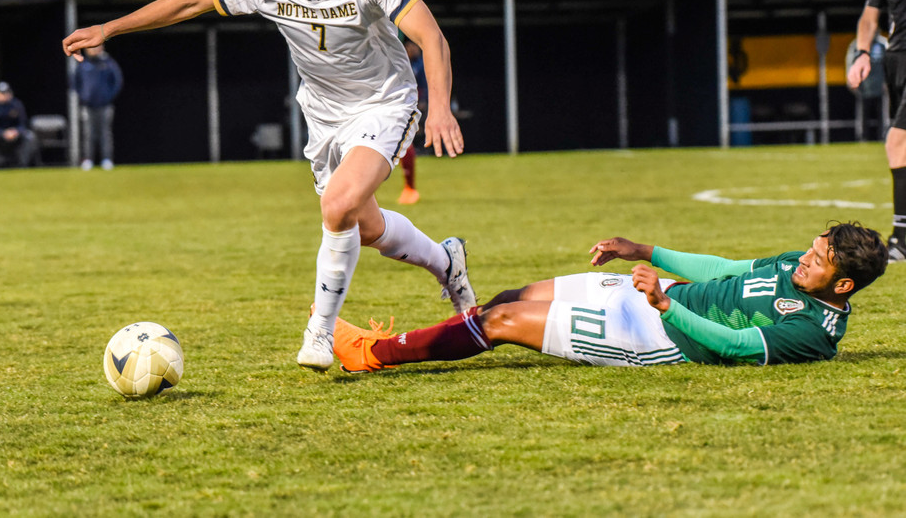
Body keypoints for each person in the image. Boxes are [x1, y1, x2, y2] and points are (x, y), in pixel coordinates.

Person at [61, 0, 475, 371]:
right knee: (361, 226)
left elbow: (432, 38)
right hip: (323, 115)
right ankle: (446, 262)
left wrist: (440, 107)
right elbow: (192, 0)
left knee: (339, 205)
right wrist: (108, 28)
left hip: (383, 103)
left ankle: (319, 333)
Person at [329, 222, 888, 372]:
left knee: (500, 321)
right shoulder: (796, 266)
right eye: (811, 250)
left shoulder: (814, 334)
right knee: (512, 294)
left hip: (657, 333)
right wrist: (642, 250)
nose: (804, 261)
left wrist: (667, 309)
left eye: (818, 262)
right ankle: (423, 341)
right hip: (660, 293)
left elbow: (739, 346)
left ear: (843, 286)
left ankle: (374, 354)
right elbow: (725, 268)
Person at [848, 0, 906, 261]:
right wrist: (863, 52)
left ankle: (901, 239)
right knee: (903, 149)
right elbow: (871, 15)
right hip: (897, 60)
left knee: (896, 141)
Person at [74, 42, 124, 171]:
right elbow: (75, 82)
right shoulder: (83, 64)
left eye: (96, 47)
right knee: (88, 134)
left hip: (105, 105)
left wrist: (108, 97)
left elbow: (117, 81)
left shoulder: (108, 63)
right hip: (88, 106)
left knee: (105, 133)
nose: (93, 50)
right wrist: (83, 97)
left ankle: (107, 159)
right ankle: (88, 160)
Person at [0, 82, 36, 169]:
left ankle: (22, 164)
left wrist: (15, 131)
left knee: (30, 136)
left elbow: (23, 123)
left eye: (5, 93)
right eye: (1, 93)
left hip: (15, 132)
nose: (3, 95)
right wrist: (2, 132)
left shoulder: (17, 104)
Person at [397, 38, 427, 205]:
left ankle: (410, 188)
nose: (411, 49)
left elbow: (424, 83)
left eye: (413, 46)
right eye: (409, 46)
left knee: (406, 142)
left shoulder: (420, 64)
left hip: (409, 104)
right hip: (391, 104)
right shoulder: (397, 60)